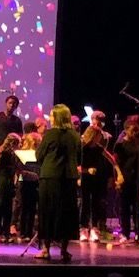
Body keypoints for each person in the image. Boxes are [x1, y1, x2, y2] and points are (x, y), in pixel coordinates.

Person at [35, 104, 81, 262]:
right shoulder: (75, 136)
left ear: (58, 117)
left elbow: (39, 155)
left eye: (52, 115)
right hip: (69, 178)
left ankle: (46, 249)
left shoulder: (51, 134)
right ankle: (64, 250)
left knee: (48, 212)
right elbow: (79, 158)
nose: (50, 118)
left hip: (50, 177)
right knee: (66, 213)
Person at [79, 124, 123, 242]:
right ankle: (83, 228)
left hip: (97, 179)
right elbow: (75, 165)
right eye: (99, 136)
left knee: (96, 203)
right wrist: (86, 170)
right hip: (85, 178)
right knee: (85, 203)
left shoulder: (99, 148)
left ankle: (94, 228)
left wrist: (118, 172)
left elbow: (112, 159)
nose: (100, 138)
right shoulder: (82, 147)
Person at [114, 119, 139, 244]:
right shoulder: (120, 144)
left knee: (137, 208)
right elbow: (115, 162)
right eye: (132, 130)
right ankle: (125, 233)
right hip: (125, 178)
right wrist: (117, 179)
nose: (135, 133)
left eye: (136, 131)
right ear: (126, 130)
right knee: (125, 207)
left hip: (136, 179)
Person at [0, 133, 21, 242]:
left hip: (10, 183)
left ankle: (6, 234)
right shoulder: (2, 154)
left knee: (8, 210)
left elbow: (16, 170)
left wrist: (16, 182)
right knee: (0, 208)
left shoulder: (15, 155)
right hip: (1, 182)